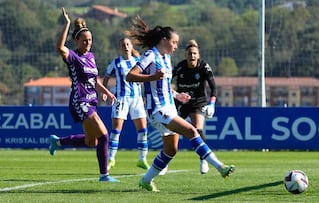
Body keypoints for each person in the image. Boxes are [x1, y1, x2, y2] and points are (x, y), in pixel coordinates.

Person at [125, 16, 235, 192]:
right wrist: (151, 77)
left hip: (169, 106)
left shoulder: (166, 58)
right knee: (192, 130)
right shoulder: (150, 56)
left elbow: (164, 85)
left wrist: (177, 95)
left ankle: (146, 180)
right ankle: (220, 167)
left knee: (171, 150)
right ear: (164, 40)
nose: (176, 46)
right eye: (174, 42)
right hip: (157, 109)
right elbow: (130, 76)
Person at [49, 7, 119, 182]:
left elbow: (95, 81)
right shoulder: (73, 56)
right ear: (77, 41)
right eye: (85, 40)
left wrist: (108, 93)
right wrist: (66, 24)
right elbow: (59, 47)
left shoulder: (91, 57)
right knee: (104, 135)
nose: (88, 43)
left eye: (90, 40)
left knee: (92, 142)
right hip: (80, 101)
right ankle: (105, 175)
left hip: (92, 101)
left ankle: (58, 142)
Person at [102, 37, 150, 171]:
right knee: (116, 130)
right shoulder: (116, 63)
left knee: (143, 130)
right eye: (123, 44)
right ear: (120, 47)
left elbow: (144, 80)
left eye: (128, 44)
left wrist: (146, 95)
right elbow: (105, 78)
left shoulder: (138, 62)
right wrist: (104, 92)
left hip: (136, 99)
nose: (126, 46)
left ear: (131, 46)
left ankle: (142, 159)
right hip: (121, 99)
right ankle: (111, 159)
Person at [172, 39, 217, 174]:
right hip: (181, 101)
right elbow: (166, 81)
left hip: (198, 102)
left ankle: (203, 159)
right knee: (170, 129)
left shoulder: (203, 67)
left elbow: (213, 86)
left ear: (198, 55)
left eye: (194, 54)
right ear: (185, 55)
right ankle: (165, 161)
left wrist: (212, 104)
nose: (192, 56)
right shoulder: (180, 67)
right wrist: (175, 95)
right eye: (189, 53)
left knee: (198, 129)